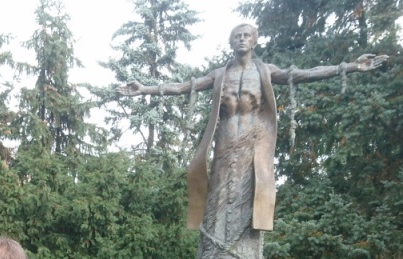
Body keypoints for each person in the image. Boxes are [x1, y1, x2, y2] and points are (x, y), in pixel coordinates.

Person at [120, 23, 387, 233]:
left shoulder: (265, 71)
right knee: (220, 194)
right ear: (231, 42)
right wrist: (144, 89)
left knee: (248, 195)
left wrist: (350, 66)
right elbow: (182, 87)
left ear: (254, 41)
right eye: (237, 36)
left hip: (252, 140)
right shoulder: (219, 74)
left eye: (247, 35)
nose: (242, 39)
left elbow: (306, 73)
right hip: (224, 140)